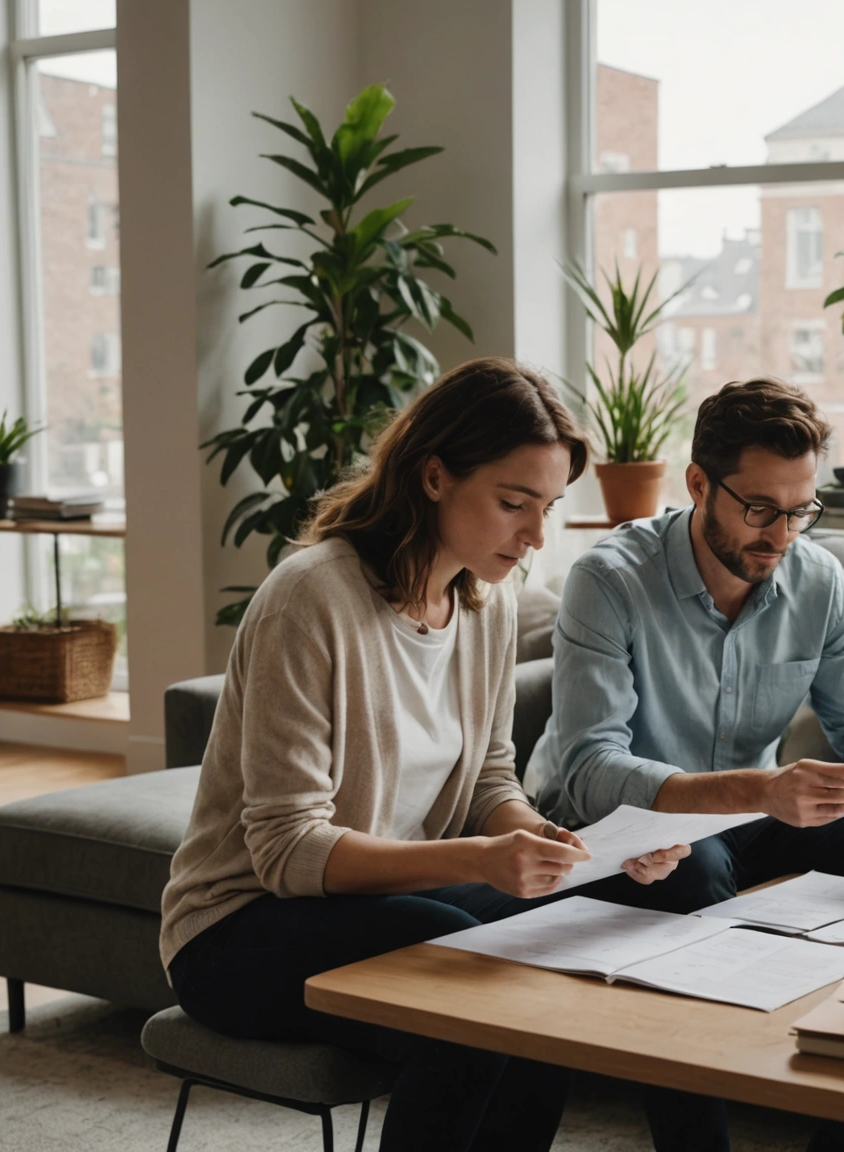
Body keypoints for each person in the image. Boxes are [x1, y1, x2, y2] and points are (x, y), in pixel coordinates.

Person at [159, 358, 688, 1152]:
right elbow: (286, 852)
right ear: (434, 475)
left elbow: (488, 780)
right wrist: (480, 859)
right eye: (514, 503)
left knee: (564, 947)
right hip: (240, 929)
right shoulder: (311, 599)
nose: (536, 535)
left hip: (381, 909)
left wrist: (552, 845)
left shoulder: (489, 599)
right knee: (477, 987)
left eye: (546, 508)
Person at [526, 377, 844, 1151]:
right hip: (639, 830)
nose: (782, 533)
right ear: (699, 483)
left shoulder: (815, 579)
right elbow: (589, 769)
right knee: (692, 872)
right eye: (759, 508)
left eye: (801, 510)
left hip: (761, 817)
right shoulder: (610, 579)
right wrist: (764, 790)